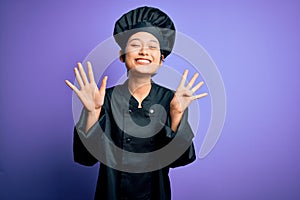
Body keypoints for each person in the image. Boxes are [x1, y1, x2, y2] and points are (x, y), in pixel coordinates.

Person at [65, 6, 207, 200]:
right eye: (135, 44)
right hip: (111, 193)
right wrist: (92, 112)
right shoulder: (102, 99)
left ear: (161, 59)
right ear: (122, 55)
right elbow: (85, 158)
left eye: (152, 46)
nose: (143, 51)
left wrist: (176, 115)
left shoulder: (172, 100)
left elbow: (180, 159)